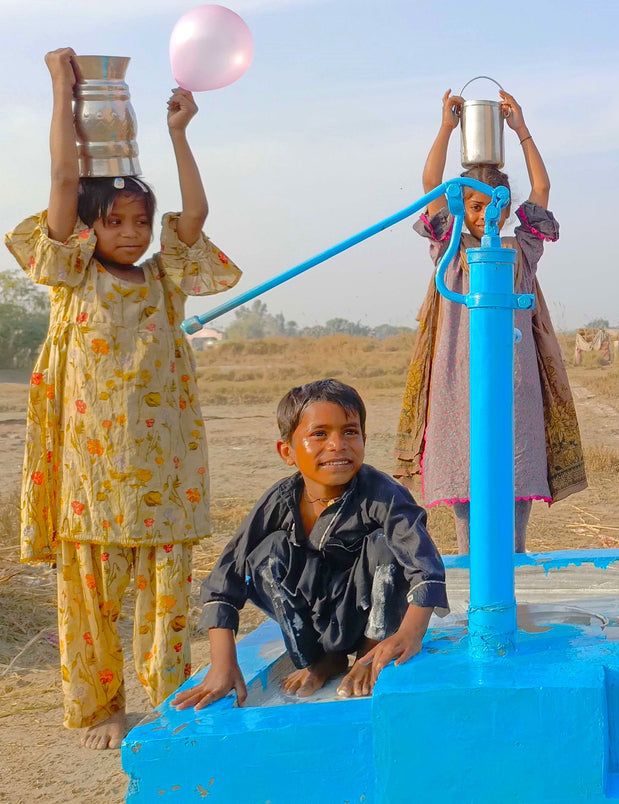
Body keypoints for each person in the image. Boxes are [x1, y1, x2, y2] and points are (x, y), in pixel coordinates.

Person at [3, 48, 242, 749]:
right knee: (91, 602)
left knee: (167, 602)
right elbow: (61, 178)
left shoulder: (165, 279)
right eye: (116, 222)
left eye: (140, 221)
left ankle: (169, 699)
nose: (132, 233)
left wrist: (179, 133)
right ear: (90, 227)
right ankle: (103, 707)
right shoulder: (72, 273)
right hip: (91, 475)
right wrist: (59, 89)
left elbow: (194, 211)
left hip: (163, 474)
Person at [173, 380, 448, 710]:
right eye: (320, 434)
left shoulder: (383, 494)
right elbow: (223, 580)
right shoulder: (280, 500)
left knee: (386, 544)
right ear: (287, 451)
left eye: (349, 432)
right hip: (314, 621)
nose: (337, 445)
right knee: (266, 554)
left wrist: (410, 633)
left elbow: (426, 568)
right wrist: (221, 666)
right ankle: (320, 660)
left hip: (369, 618)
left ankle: (368, 656)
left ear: (363, 439)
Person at [394, 89, 586, 554]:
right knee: (467, 492)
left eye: (492, 205)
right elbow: (429, 183)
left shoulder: (521, 252)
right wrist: (447, 126)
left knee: (515, 481)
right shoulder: (449, 251)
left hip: (514, 381)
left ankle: (511, 584)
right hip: (458, 382)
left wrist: (521, 130)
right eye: (474, 206)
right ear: (460, 207)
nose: (485, 215)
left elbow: (540, 191)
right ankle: (476, 588)